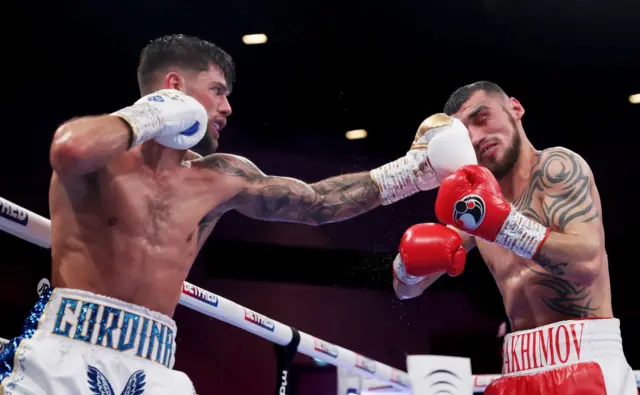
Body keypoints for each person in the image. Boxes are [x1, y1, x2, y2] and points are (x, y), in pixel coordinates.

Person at [0, 34, 477, 394]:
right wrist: (155, 115)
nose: (227, 107)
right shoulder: (100, 156)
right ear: (174, 88)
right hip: (66, 347)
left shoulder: (221, 175)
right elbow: (69, 148)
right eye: (217, 91)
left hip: (155, 365)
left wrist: (411, 173)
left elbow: (315, 204)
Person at [393, 81, 636, 394]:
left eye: (482, 119)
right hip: (515, 367)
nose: (478, 137)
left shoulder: (556, 167)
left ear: (515, 109)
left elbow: (586, 264)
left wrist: (503, 226)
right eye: (465, 135)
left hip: (584, 357)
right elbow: (406, 291)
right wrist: (406, 264)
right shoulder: (473, 208)